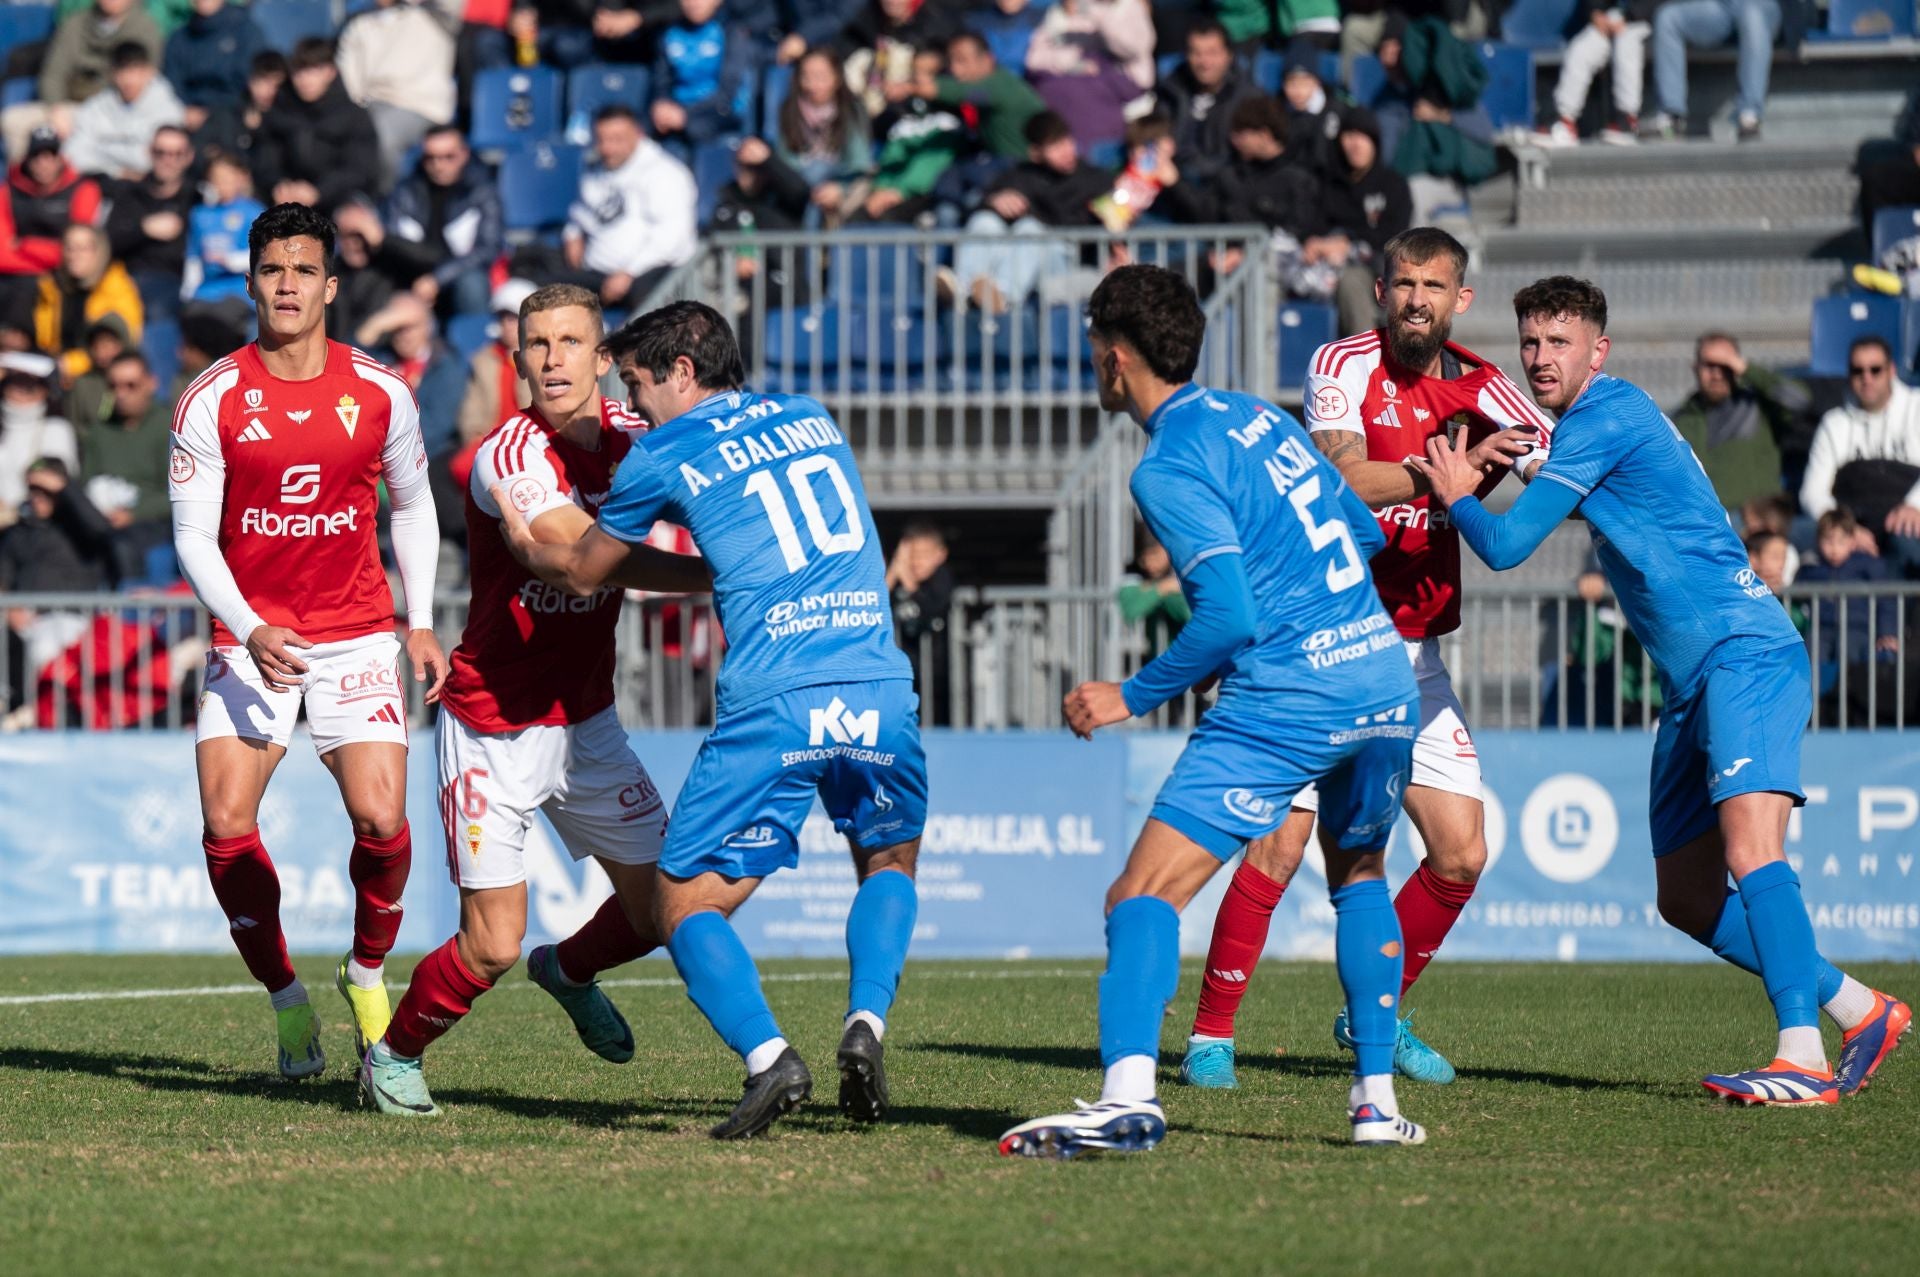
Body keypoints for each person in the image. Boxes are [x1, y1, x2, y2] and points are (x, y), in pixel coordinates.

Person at [1410, 273, 1911, 1104]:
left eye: (1559, 341)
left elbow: (1501, 547)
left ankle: (1802, 1054)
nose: (1539, 357)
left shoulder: (1606, 414)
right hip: (1694, 682)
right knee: (1685, 898)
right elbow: (1587, 487)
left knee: (1753, 851)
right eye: (1529, 341)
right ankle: (1862, 1010)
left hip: (1745, 653)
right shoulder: (1596, 426)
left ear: (1597, 350)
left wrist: (1458, 492)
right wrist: (1519, 456)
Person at [1001, 264, 1427, 1158]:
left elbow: (1229, 614)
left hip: (1293, 687)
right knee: (1357, 875)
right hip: (1383, 677)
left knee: (1141, 892)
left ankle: (1127, 1100)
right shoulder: (1260, 415)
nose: (1092, 366)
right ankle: (1375, 1105)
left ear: (1116, 360)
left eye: (1092, 351)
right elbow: (1366, 530)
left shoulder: (1168, 463)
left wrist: (1128, 693)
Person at [494, 300, 928, 1140]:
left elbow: (585, 574)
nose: (637, 403)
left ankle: (769, 1058)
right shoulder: (814, 416)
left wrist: (526, 543)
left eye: (640, 383)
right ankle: (865, 1024)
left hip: (775, 693)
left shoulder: (662, 452)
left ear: (682, 373)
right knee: (887, 857)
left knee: (682, 902)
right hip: (878, 680)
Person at [1177, 226, 1552, 1091]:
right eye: (1405, 282)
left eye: (1437, 286)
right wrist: (1445, 475)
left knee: (1461, 852)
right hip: (1315, 641)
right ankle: (1211, 1036)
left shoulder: (1490, 386)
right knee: (1279, 845)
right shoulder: (1342, 362)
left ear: (1462, 300)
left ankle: (1372, 1010)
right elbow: (1341, 478)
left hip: (1412, 656)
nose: (1418, 298)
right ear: (1380, 288)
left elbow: (1563, 476)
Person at [358, 285, 713, 1117]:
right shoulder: (507, 454)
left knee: (669, 906)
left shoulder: (639, 436)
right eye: (536, 344)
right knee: (491, 944)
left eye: (569, 342)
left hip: (585, 721)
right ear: (517, 362)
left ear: (603, 361)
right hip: (492, 724)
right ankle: (393, 1055)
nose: (552, 359)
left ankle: (572, 969)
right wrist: (710, 575)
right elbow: (567, 557)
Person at [167, 202, 445, 1079]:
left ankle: (366, 972)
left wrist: (422, 618)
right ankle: (287, 1000)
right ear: (251, 282)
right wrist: (248, 627)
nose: (286, 284)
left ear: (330, 285)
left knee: (382, 816)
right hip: (249, 636)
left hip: (357, 634)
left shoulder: (379, 391)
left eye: (303, 269)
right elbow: (192, 537)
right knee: (224, 823)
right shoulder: (212, 398)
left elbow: (414, 505)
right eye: (271, 269)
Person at [517, 105, 697, 308]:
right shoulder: (596, 172)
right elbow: (579, 216)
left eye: (617, 139)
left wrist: (629, 272)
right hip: (598, 274)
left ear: (638, 134)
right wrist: (573, 235)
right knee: (532, 276)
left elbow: (672, 239)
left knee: (647, 299)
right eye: (601, 140)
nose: (607, 148)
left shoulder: (665, 173)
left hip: (648, 274)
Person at [948, 110, 1110, 314]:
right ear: (1035, 153)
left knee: (1029, 227)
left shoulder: (1095, 179)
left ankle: (1003, 295)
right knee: (985, 220)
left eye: (1067, 141)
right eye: (1055, 146)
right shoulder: (1021, 175)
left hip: (1064, 260)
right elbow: (977, 206)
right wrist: (995, 201)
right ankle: (962, 290)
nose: (1067, 151)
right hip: (1019, 256)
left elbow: (1100, 226)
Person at [1799, 336, 1920, 572]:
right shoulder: (1834, 422)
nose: (1867, 378)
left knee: (1906, 542)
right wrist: (1845, 529)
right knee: (1787, 538)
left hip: (1906, 518)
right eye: (1858, 371)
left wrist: (1914, 505)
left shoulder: (1917, 407)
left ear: (1891, 370)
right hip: (1851, 516)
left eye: (1875, 370)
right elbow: (1812, 492)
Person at [357, 126, 503, 319]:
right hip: (412, 273)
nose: (439, 165)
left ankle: (474, 340)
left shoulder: (482, 191)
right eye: (431, 158)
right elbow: (393, 240)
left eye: (448, 157)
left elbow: (487, 249)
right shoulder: (406, 191)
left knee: (472, 283)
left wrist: (437, 279)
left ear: (464, 154)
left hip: (456, 275)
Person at [1670, 330, 1809, 516]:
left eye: (1726, 366)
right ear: (1695, 367)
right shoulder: (1682, 419)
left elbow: (1800, 401)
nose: (1717, 374)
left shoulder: (1756, 405)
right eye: (1709, 365)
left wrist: (1746, 369)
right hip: (1705, 523)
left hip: (1759, 523)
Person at [336, 0, 460, 187]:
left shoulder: (434, 15)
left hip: (419, 105)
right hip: (370, 104)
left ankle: (383, 204)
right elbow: (349, 81)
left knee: (381, 135)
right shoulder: (359, 24)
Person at [251, 37, 384, 211]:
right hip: (285, 200)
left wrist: (319, 191)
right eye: (299, 71)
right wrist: (279, 185)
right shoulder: (279, 112)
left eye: (313, 70)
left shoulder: (354, 116)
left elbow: (358, 170)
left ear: (330, 72)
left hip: (340, 201)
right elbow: (265, 158)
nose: (305, 79)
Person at [1315, 106, 1414, 337]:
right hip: (1325, 266)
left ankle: (1365, 363)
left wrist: (1349, 243)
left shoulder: (1393, 185)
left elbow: (1396, 236)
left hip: (1379, 267)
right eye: (1349, 136)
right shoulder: (1327, 185)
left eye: (1363, 136)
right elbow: (1314, 225)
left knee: (1351, 281)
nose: (1355, 144)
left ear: (1375, 142)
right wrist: (1319, 244)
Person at [0, 129, 103, 331]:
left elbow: (79, 253)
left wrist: (25, 245)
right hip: (16, 279)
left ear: (60, 157)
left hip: (68, 279)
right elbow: (2, 255)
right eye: (37, 156)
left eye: (51, 155)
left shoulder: (83, 189)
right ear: (27, 160)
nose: (44, 163)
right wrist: (51, 259)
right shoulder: (7, 192)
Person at [1021, 0, 1156, 152]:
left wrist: (1099, 15)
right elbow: (1035, 59)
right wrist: (1072, 65)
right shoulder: (1060, 13)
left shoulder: (1129, 7)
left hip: (1123, 86)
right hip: (1074, 81)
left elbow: (1133, 49)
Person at [1647, 0, 1780, 142]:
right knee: (1668, 18)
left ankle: (1750, 115)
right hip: (1722, 7)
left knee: (1752, 15)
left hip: (1764, 6)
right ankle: (1671, 116)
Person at [772, 45, 873, 225]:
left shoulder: (852, 111)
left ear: (837, 78)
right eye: (806, 77)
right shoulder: (787, 111)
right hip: (800, 189)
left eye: (821, 77)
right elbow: (785, 163)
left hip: (842, 184)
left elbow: (858, 163)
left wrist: (840, 188)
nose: (812, 85)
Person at [103, 124, 194, 325]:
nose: (168, 160)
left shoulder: (197, 197)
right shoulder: (129, 193)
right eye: (161, 152)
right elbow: (106, 242)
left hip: (174, 280)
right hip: (126, 277)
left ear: (188, 157)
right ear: (149, 153)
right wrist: (143, 228)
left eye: (176, 154)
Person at [1152, 18, 1256, 191]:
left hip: (1224, 190)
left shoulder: (1248, 99)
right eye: (1196, 53)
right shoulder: (1171, 93)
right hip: (1173, 186)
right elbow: (1154, 136)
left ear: (1228, 55)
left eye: (1212, 53)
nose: (1204, 62)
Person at [1537, 1, 1658, 146]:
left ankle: (1628, 120)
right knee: (1580, 49)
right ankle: (1565, 121)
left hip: (1648, 21)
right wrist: (1596, 13)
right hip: (1612, 19)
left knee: (1626, 44)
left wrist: (1630, 16)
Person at [62, 41, 185, 183]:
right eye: (122, 72)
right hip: (103, 182)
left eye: (135, 71)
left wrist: (102, 151)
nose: (128, 80)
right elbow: (73, 154)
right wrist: (117, 172)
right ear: (112, 73)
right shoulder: (95, 107)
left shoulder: (169, 110)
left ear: (149, 72)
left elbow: (162, 160)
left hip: (150, 186)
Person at [35, 223, 143, 380]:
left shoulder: (117, 287)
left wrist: (69, 364)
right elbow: (45, 339)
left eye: (83, 248)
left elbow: (118, 348)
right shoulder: (52, 287)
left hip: (98, 376)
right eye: (70, 248)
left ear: (100, 252)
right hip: (55, 369)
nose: (74, 255)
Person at [649, 0, 758, 149]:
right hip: (676, 116)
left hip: (719, 117)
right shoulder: (669, 33)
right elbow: (662, 80)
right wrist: (661, 103)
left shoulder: (732, 32)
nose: (694, 3)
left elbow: (728, 90)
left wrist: (686, 114)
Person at [886, 518, 952, 725]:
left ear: (940, 555)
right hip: (902, 672)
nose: (915, 562)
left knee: (935, 719)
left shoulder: (941, 578)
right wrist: (893, 572)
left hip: (936, 673)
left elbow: (933, 608)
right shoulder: (896, 580)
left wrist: (906, 578)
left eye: (923, 556)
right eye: (911, 556)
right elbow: (875, 603)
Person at [456, 278, 534, 448]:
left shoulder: (543, 358)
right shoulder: (482, 360)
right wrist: (475, 434)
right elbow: (472, 407)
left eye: (514, 318)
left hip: (530, 443)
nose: (507, 324)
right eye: (503, 318)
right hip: (489, 442)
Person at [181, 148, 262, 312]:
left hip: (241, 290)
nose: (220, 184)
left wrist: (229, 260)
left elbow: (262, 255)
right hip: (207, 290)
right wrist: (187, 292)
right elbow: (194, 257)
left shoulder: (253, 212)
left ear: (240, 178)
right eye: (215, 179)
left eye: (226, 178)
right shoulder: (200, 214)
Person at [164, 0, 266, 130]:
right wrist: (186, 109)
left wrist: (214, 114)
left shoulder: (247, 32)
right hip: (188, 119)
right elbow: (172, 82)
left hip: (233, 118)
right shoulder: (179, 38)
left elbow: (250, 83)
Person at [0, 352, 79, 520]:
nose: (20, 389)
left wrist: (13, 511)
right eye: (15, 381)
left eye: (30, 385)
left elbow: (55, 483)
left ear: (45, 390)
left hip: (33, 526)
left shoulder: (56, 430)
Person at [188, 48, 285, 173]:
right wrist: (215, 161)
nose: (270, 91)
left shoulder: (288, 123)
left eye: (277, 84)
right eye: (264, 81)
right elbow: (197, 152)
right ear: (251, 81)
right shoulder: (225, 114)